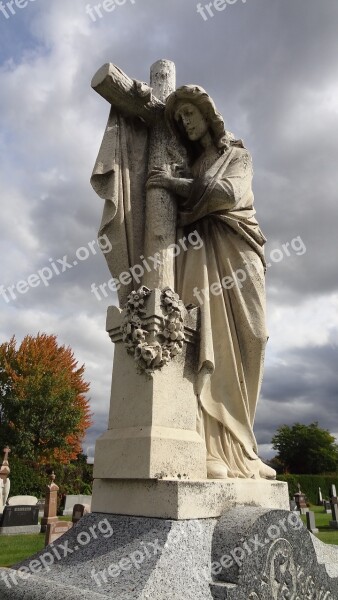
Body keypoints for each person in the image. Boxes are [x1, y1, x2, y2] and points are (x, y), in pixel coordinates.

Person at [147, 85, 276, 479]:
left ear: (208, 112)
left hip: (239, 249)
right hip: (201, 254)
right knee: (205, 336)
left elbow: (228, 194)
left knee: (254, 336)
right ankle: (210, 448)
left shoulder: (238, 155)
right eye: (180, 117)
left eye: (190, 113)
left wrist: (175, 185)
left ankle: (243, 446)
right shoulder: (189, 165)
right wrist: (175, 185)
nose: (185, 122)